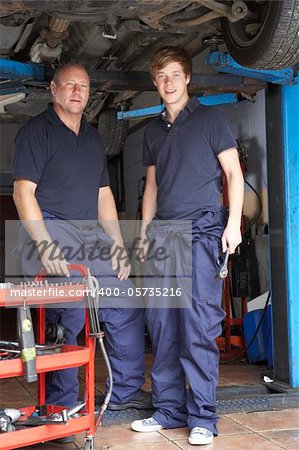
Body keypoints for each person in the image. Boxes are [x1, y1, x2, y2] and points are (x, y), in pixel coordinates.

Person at [12, 63, 151, 444]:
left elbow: (103, 195)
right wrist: (44, 244)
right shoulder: (35, 132)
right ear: (53, 90)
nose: (77, 91)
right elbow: (22, 192)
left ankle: (122, 391)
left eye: (84, 86)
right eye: (69, 84)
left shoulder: (92, 139)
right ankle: (60, 408)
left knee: (125, 299)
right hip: (50, 228)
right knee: (69, 312)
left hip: (88, 234)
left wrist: (119, 246)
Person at [131, 47, 244, 445]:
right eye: (162, 76)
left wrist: (233, 225)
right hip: (164, 235)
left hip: (203, 231)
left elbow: (232, 173)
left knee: (197, 325)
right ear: (155, 82)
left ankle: (202, 417)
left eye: (175, 74)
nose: (169, 82)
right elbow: (153, 187)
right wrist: (144, 233)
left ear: (188, 78)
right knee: (162, 325)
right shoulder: (151, 131)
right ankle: (166, 410)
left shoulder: (211, 120)